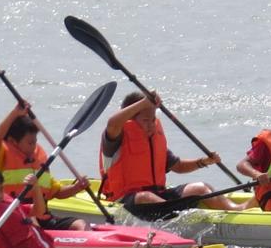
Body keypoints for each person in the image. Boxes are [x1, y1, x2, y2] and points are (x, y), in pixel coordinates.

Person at [98, 90, 238, 212]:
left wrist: (203, 161)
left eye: (153, 120)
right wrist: (144, 102)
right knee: (145, 197)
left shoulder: (152, 140)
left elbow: (178, 166)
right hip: (125, 201)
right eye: (146, 120)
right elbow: (112, 123)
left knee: (201, 188)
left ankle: (236, 210)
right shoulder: (115, 139)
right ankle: (178, 217)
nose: (151, 125)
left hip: (158, 196)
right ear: (130, 120)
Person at [0, 102, 89, 231]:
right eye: (30, 143)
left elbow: (57, 192)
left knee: (80, 224)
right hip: (14, 217)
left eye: (35, 142)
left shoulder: (38, 159)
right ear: (12, 141)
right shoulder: (0, 154)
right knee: (32, 221)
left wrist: (76, 188)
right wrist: (14, 114)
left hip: (43, 217)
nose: (34, 146)